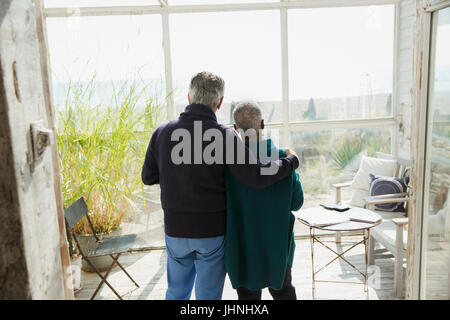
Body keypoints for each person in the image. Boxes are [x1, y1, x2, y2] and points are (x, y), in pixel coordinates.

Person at [141, 71, 299, 300]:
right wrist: (290, 161)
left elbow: (148, 177)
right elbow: (255, 176)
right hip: (210, 232)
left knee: (176, 293)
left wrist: (176, 174)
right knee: (207, 297)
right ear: (220, 102)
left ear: (188, 97)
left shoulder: (162, 132)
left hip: (175, 229)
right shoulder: (225, 135)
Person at [225, 101, 304, 300]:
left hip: (243, 248)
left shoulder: (228, 165)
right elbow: (297, 202)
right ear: (262, 124)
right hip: (277, 247)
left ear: (235, 129)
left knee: (248, 299)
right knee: (284, 292)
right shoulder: (281, 158)